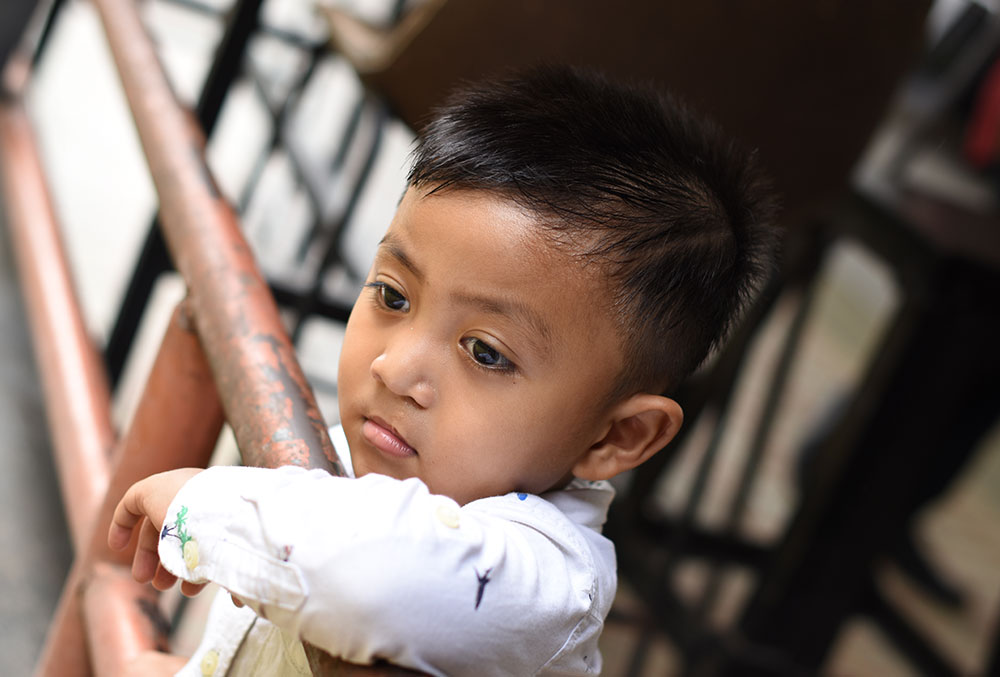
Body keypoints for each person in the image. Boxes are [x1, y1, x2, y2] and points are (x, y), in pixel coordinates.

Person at [108, 65, 778, 676]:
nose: (395, 368)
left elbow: (370, 579)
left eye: (485, 351)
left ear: (615, 438)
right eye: (393, 296)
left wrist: (206, 511)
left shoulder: (544, 580)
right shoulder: (380, 457)